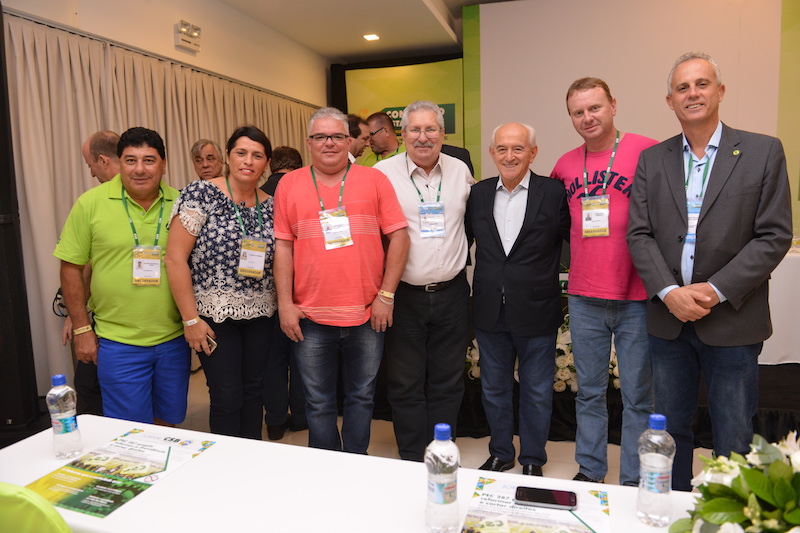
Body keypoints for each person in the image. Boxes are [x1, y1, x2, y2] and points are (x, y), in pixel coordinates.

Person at [627, 52, 792, 491]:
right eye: (682, 88)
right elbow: (639, 234)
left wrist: (714, 290)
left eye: (702, 84)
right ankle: (670, 509)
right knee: (670, 433)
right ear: (670, 101)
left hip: (733, 319)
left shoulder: (762, 151)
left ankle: (729, 512)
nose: (692, 94)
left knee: (733, 436)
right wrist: (669, 292)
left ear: (720, 92)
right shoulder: (652, 159)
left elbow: (774, 235)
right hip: (669, 320)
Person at [273, 107, 410, 453]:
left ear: (349, 141)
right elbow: (283, 247)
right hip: (310, 316)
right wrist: (285, 304)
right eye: (320, 137)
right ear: (309, 142)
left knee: (361, 397)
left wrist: (386, 296)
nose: (329, 143)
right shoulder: (289, 184)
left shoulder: (375, 180)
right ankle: (327, 467)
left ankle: (356, 461)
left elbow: (399, 237)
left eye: (337, 136)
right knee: (318, 402)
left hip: (366, 314)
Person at [550, 77, 657, 486]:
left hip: (637, 294)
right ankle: (591, 470)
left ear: (613, 105)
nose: (587, 117)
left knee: (638, 397)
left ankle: (633, 479)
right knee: (590, 392)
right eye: (578, 112)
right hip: (584, 296)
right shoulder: (564, 165)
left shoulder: (647, 150)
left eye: (594, 108)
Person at [55, 127, 190, 425]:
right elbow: (70, 267)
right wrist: (82, 329)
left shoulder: (182, 205)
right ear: (120, 162)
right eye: (130, 160)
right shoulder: (90, 203)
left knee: (168, 422)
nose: (139, 169)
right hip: (118, 343)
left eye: (149, 160)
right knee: (128, 430)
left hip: (174, 340)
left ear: (164, 165)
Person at [467, 122, 569, 475]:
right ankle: (501, 452)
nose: (509, 156)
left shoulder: (553, 193)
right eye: (502, 149)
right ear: (492, 153)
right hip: (489, 309)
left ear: (533, 153)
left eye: (518, 148)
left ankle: (532, 459)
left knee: (537, 392)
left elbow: (574, 241)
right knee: (493, 389)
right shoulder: (478, 194)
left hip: (537, 309)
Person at [374, 100, 473, 461]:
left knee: (448, 380)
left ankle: (440, 452)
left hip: (452, 293)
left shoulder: (460, 170)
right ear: (403, 135)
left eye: (431, 129)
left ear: (442, 134)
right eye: (415, 129)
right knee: (405, 381)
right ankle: (413, 455)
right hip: (403, 294)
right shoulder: (383, 173)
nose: (423, 137)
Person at [166, 126, 277, 440]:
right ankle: (225, 462)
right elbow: (174, 259)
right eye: (241, 153)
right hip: (213, 316)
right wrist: (190, 320)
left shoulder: (272, 205)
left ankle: (250, 456)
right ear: (228, 156)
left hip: (261, 314)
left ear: (266, 163)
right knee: (227, 396)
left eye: (257, 155)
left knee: (254, 391)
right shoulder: (201, 194)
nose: (248, 161)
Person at [60, 130, 122, 416]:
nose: (92, 173)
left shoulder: (161, 199)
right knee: (91, 385)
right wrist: (79, 318)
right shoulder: (92, 203)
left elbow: (86, 266)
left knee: (90, 386)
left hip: (133, 324)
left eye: (90, 165)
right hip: (103, 315)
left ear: (102, 160)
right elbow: (80, 264)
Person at [259, 146, 307, 440]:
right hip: (301, 289)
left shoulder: (256, 194)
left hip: (264, 293)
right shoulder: (303, 192)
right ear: (300, 167)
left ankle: (275, 420)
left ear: (269, 165)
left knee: (272, 361)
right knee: (302, 357)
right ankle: (301, 415)